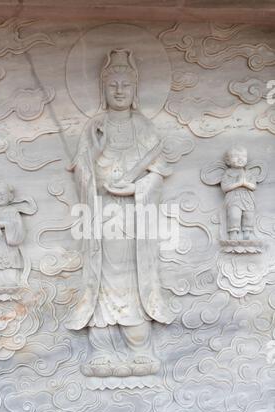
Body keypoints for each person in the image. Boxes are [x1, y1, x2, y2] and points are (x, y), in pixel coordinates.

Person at [66, 49, 174, 377]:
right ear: (103, 88)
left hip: (134, 218)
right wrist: (95, 163)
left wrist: (135, 189)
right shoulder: (94, 128)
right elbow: (81, 172)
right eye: (112, 84)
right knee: (101, 279)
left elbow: (157, 173)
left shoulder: (144, 127)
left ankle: (139, 347)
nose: (118, 90)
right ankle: (101, 351)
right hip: (102, 216)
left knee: (134, 277)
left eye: (125, 85)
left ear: (135, 89)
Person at [221, 146, 256, 240]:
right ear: (228, 161)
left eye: (244, 156)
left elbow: (253, 187)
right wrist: (239, 183)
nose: (240, 159)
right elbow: (224, 188)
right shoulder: (228, 173)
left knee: (249, 215)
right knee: (234, 215)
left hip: (247, 198)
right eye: (236, 156)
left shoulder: (248, 173)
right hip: (234, 198)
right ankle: (233, 232)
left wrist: (245, 183)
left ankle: (247, 232)